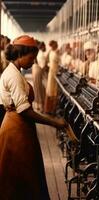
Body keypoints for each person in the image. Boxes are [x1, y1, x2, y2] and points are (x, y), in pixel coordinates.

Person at [0, 35, 66, 200]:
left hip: (19, 127)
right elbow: (24, 110)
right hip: (16, 131)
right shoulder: (13, 76)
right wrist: (54, 122)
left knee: (24, 174)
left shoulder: (15, 71)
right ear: (20, 55)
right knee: (22, 176)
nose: (33, 62)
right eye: (31, 58)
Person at [44, 40, 60, 114]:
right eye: (55, 45)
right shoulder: (54, 53)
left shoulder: (52, 52)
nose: (56, 46)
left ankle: (51, 109)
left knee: (52, 90)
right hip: (53, 72)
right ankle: (50, 109)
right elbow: (59, 61)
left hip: (53, 72)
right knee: (52, 91)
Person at [32, 41, 46, 112]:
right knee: (40, 89)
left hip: (34, 69)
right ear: (42, 46)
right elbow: (43, 66)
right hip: (38, 70)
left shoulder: (37, 53)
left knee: (36, 88)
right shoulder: (41, 54)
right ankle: (41, 107)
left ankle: (37, 106)